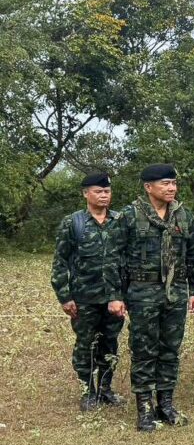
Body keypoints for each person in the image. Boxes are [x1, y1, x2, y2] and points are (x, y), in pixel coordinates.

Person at [106, 164, 194, 432]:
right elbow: (112, 257)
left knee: (170, 349)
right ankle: (145, 409)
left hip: (176, 293)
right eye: (165, 183)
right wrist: (115, 295)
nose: (172, 188)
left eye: (174, 183)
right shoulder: (129, 215)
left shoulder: (183, 215)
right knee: (144, 350)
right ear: (148, 187)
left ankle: (166, 404)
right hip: (142, 292)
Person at [51, 172, 126, 411]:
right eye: (98, 191)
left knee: (109, 343)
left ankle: (105, 389)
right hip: (84, 298)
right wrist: (65, 296)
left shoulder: (120, 220)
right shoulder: (73, 223)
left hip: (113, 298)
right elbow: (60, 262)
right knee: (86, 345)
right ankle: (88, 391)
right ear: (86, 193)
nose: (104, 195)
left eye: (107, 191)